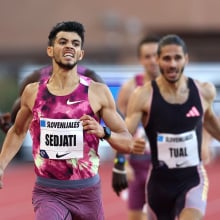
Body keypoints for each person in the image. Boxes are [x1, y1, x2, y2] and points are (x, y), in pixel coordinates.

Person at [0, 21, 145, 220]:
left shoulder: (97, 92)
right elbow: (17, 131)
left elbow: (128, 142)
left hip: (87, 193)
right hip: (48, 192)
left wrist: (104, 132)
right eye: (63, 42)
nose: (70, 46)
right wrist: (1, 164)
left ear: (80, 54)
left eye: (75, 44)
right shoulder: (33, 92)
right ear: (50, 50)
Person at [125, 34, 220, 220]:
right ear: (158, 60)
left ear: (186, 59)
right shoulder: (142, 95)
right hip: (159, 183)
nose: (172, 64)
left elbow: (212, 124)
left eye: (177, 58)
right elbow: (124, 133)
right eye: (167, 58)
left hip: (192, 179)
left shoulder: (203, 91)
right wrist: (125, 148)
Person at [112, 36, 160, 220]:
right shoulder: (130, 87)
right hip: (138, 161)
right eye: (147, 56)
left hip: (163, 163)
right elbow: (120, 127)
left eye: (156, 55)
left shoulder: (173, 86)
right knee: (135, 216)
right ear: (141, 59)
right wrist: (121, 163)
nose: (152, 60)